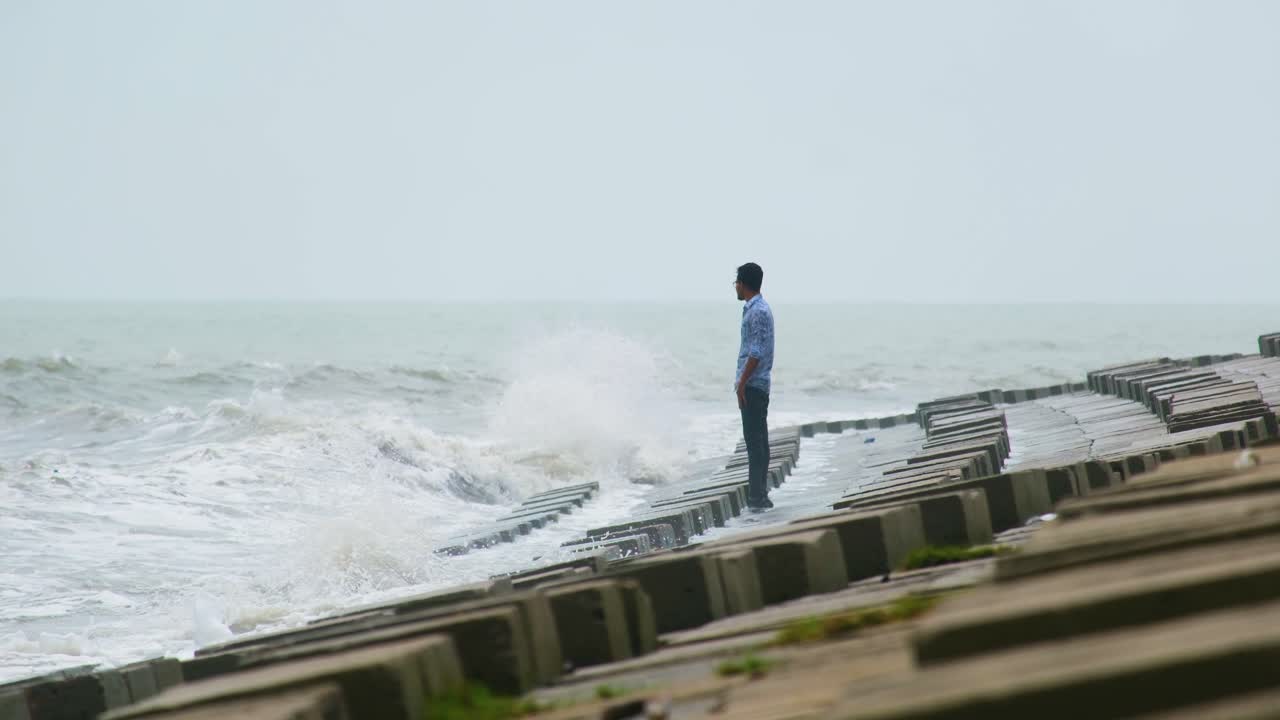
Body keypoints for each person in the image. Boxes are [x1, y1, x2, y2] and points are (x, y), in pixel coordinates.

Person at [734, 262, 775, 510]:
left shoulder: (757, 311)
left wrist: (741, 384)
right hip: (756, 383)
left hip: (753, 384)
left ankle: (757, 496)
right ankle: (759, 494)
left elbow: (756, 352)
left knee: (755, 441)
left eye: (736, 282)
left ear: (743, 283)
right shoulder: (755, 308)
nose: (735, 287)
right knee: (759, 440)